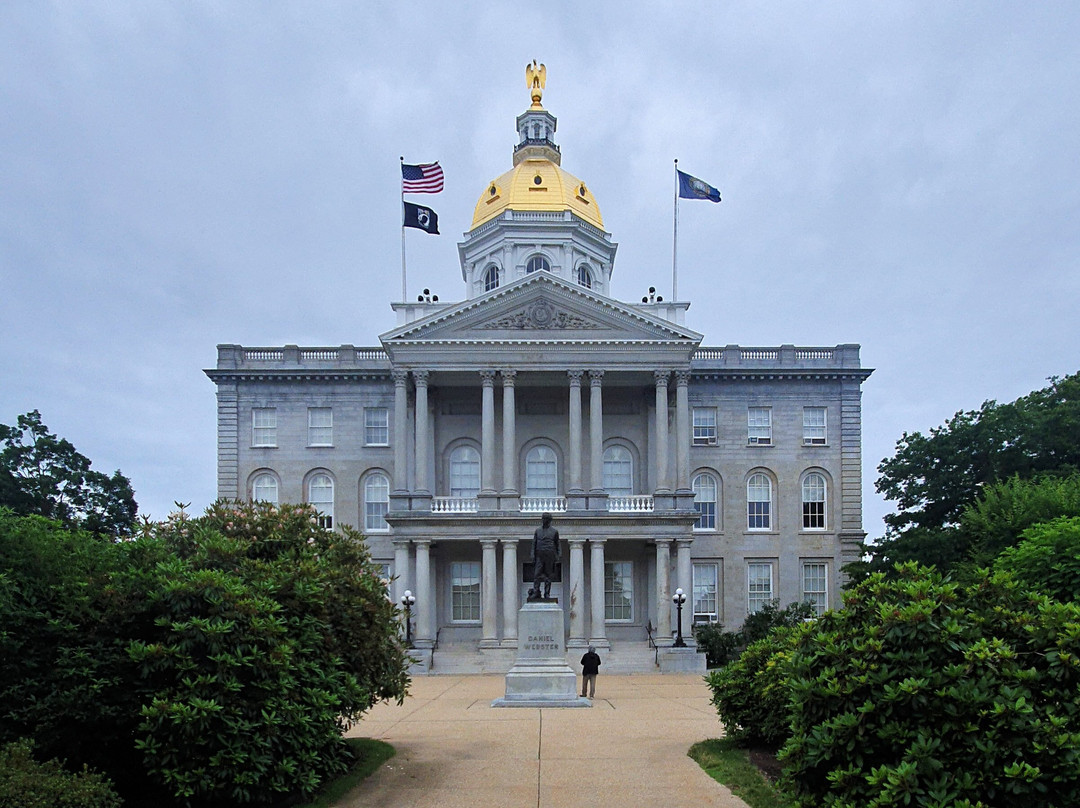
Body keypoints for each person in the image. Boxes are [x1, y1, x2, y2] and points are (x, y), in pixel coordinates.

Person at [530, 512, 560, 600]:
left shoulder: (554, 531)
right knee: (536, 574)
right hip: (539, 555)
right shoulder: (538, 531)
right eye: (543, 519)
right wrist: (532, 554)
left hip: (550, 555)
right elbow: (534, 543)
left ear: (549, 520)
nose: (544, 521)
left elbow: (557, 543)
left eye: (546, 519)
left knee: (548, 575)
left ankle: (547, 593)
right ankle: (536, 591)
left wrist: (558, 555)